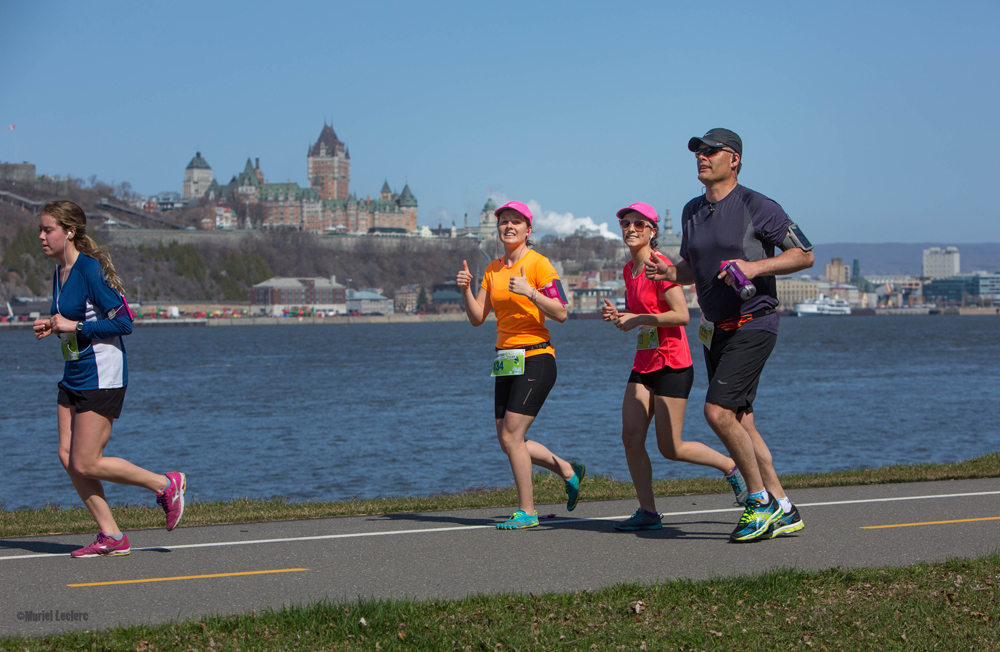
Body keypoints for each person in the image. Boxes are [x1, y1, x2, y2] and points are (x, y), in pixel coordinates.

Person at [645, 129, 815, 543]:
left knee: (718, 413)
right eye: (697, 153)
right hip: (715, 330)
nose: (701, 157)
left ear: (734, 159)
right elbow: (693, 266)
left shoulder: (757, 205)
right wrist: (671, 273)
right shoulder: (691, 211)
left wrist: (754, 268)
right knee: (742, 420)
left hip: (754, 322)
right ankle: (784, 506)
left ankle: (758, 503)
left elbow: (805, 254)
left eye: (710, 151)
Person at [32, 200, 186, 558]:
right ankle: (111, 535)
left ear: (69, 232)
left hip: (102, 374)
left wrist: (76, 325)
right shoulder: (61, 271)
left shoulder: (89, 269)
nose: (41, 236)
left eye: (48, 229)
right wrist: (54, 325)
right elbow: (73, 321)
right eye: (40, 229)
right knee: (67, 455)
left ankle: (165, 484)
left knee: (86, 461)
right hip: (75, 370)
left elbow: (124, 322)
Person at [601, 202, 747, 531]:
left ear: (653, 231)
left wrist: (636, 317)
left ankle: (731, 467)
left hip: (672, 363)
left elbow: (681, 315)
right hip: (644, 363)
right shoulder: (629, 270)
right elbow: (642, 316)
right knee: (631, 437)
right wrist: (619, 317)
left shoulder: (660, 264)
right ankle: (648, 512)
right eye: (626, 224)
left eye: (639, 224)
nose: (631, 229)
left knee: (671, 447)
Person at [456, 200, 583, 530]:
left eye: (516, 222)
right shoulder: (493, 269)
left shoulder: (539, 264)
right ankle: (567, 470)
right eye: (503, 222)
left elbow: (561, 312)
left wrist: (531, 292)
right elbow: (476, 318)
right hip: (505, 359)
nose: (508, 227)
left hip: (537, 357)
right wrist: (466, 289)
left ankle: (527, 511)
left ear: (528, 230)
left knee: (513, 437)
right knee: (507, 440)